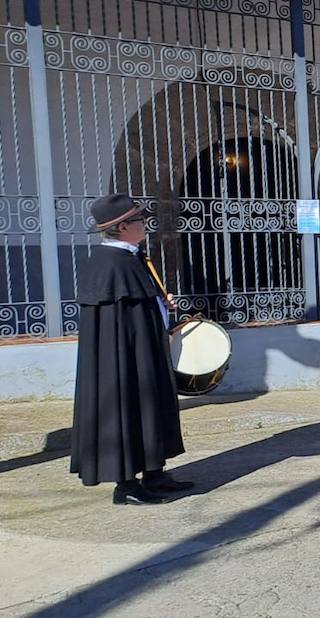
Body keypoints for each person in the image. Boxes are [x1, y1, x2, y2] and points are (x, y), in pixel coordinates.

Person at [70, 193, 191, 505]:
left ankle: (155, 472)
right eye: (139, 220)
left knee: (151, 407)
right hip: (125, 360)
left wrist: (161, 305)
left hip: (144, 351)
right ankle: (127, 486)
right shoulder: (111, 262)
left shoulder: (131, 256)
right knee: (129, 409)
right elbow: (118, 322)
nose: (145, 225)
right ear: (123, 227)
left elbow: (140, 303)